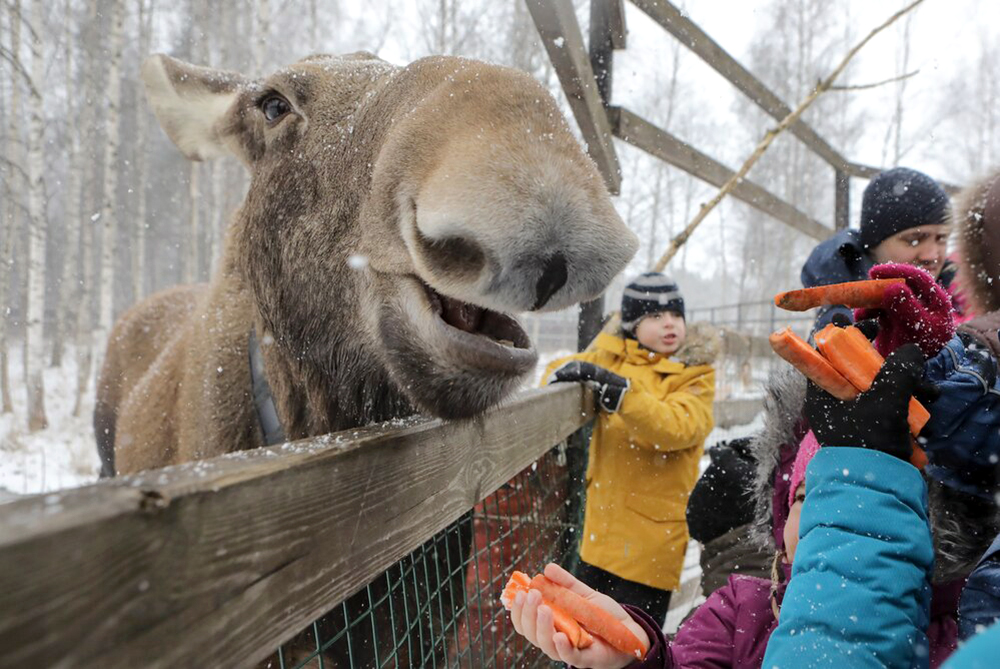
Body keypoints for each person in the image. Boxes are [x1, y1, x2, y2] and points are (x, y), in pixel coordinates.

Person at [544, 273, 718, 624]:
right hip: (601, 534)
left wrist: (625, 396)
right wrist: (559, 375)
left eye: (675, 315)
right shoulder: (613, 358)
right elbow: (567, 366)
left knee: (630, 640)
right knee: (585, 629)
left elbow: (677, 426)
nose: (669, 323)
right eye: (655, 316)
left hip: (651, 545)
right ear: (631, 324)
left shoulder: (693, 374)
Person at [801, 167, 959, 330]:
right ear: (874, 245)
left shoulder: (963, 302)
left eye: (941, 238)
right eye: (913, 240)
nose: (932, 255)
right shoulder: (843, 323)